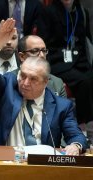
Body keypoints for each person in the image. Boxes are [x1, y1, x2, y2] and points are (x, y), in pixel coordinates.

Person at [0, 19, 87, 155]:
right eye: (22, 76)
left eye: (33, 79)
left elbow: (77, 136)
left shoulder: (62, 106)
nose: (25, 83)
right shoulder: (7, 86)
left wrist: (75, 146)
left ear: (46, 82)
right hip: (4, 160)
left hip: (41, 166)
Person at [39, 0, 93, 141]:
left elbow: (85, 39)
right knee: (84, 81)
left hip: (78, 60)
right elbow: (44, 41)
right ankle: (81, 125)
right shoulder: (48, 11)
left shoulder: (81, 11)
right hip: (57, 60)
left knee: (88, 77)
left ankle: (87, 122)